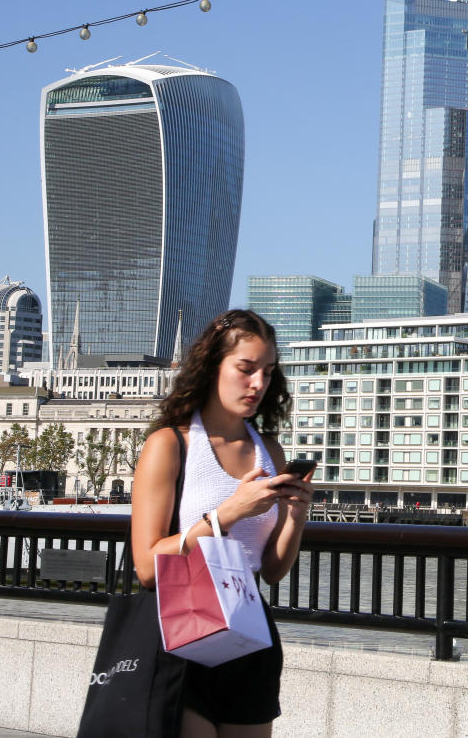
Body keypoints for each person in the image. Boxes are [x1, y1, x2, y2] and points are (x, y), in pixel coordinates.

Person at [131, 309, 313, 737]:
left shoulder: (270, 450)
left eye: (267, 373)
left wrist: (296, 517)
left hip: (250, 632)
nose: (258, 384)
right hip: (182, 628)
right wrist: (228, 513)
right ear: (213, 366)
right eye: (246, 369)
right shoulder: (169, 445)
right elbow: (146, 565)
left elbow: (271, 570)